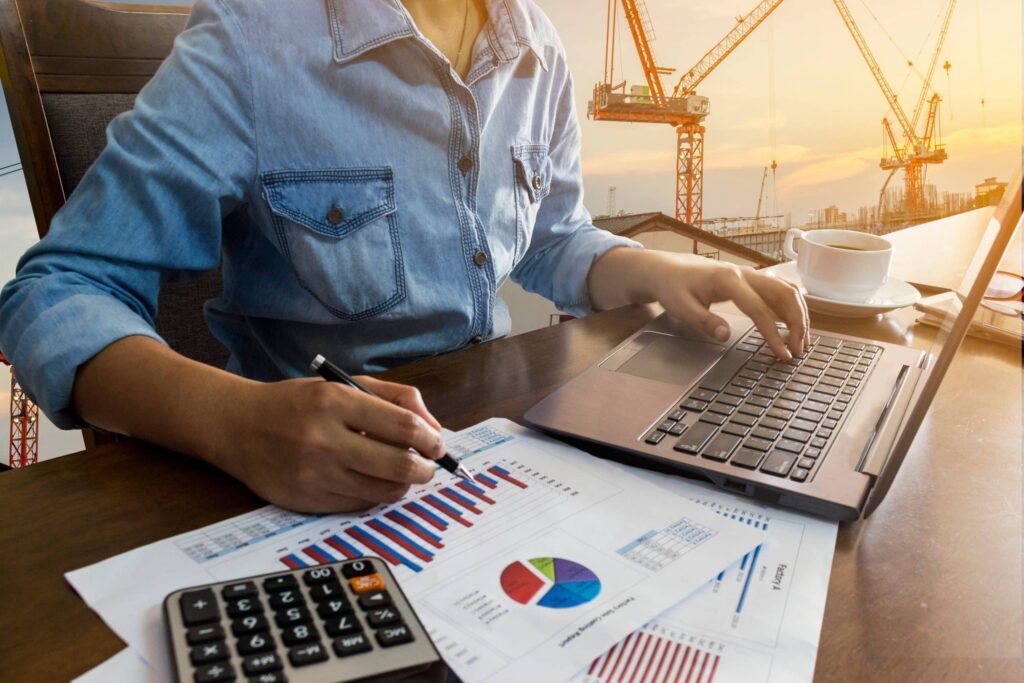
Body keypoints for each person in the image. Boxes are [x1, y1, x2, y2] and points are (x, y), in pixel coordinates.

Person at [0, 0, 808, 513]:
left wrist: (665, 271)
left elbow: (554, 237)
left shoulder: (538, 50)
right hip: (310, 491)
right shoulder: (252, 40)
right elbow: (58, 289)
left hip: (492, 461)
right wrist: (235, 423)